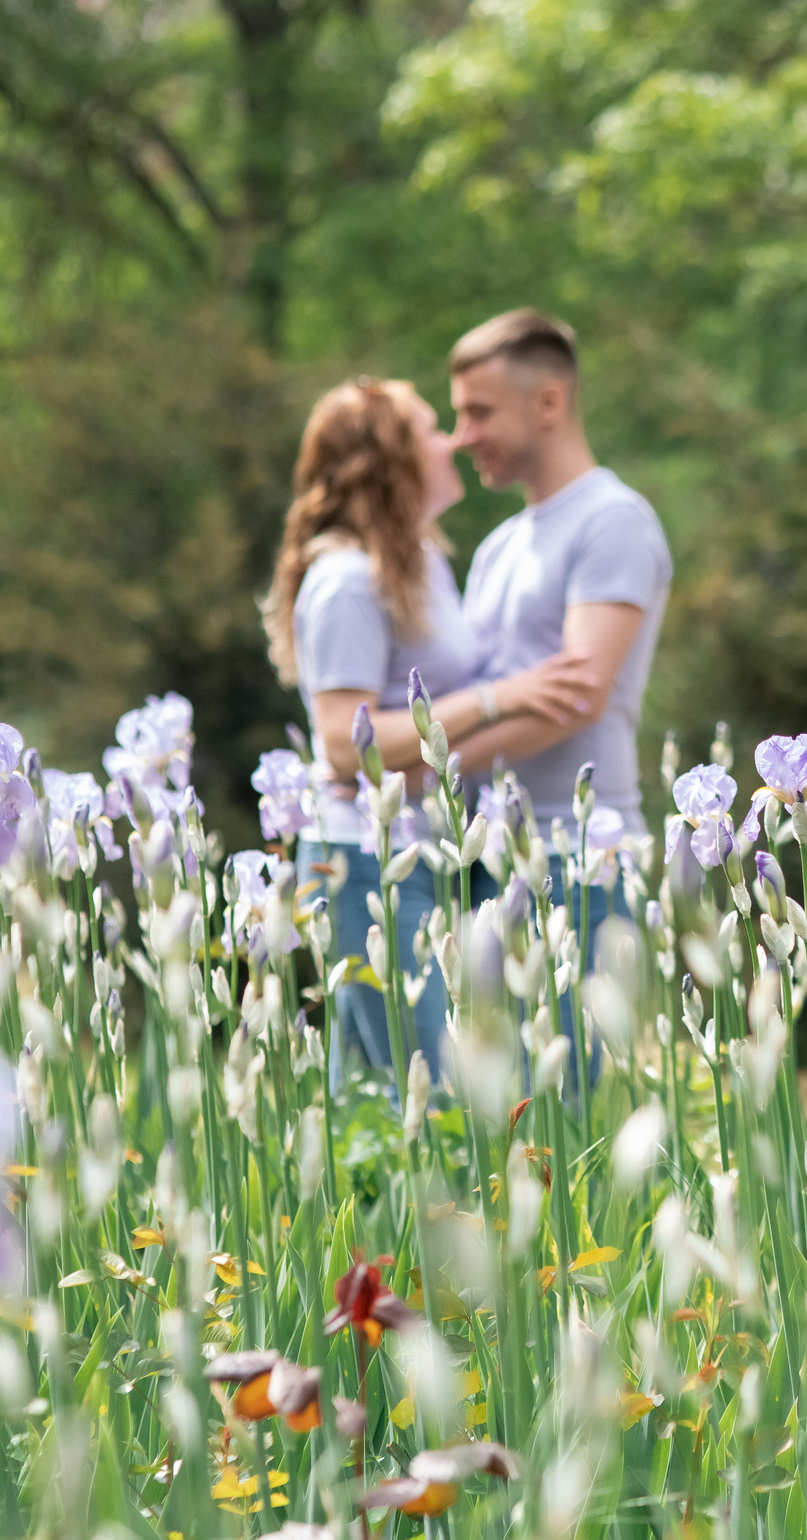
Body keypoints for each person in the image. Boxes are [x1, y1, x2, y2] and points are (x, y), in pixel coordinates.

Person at [261, 378, 596, 1096]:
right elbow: (344, 744)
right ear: (389, 461)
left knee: (438, 1093)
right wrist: (497, 698)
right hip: (358, 858)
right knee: (414, 1092)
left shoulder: (421, 562)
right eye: (431, 429)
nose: (454, 440)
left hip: (419, 852)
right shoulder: (347, 580)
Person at [444, 309, 673, 846]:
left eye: (478, 413)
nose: (461, 437)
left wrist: (434, 765)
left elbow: (578, 699)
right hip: (490, 851)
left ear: (548, 402)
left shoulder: (612, 519)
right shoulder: (496, 547)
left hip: (583, 849)